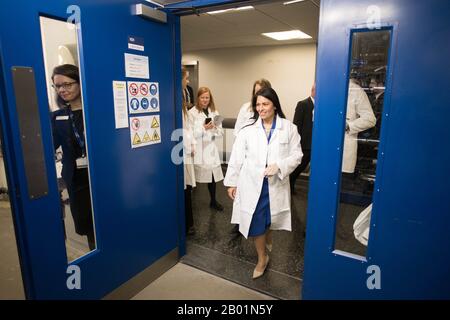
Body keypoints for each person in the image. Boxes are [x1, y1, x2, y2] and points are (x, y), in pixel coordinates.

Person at [224, 88, 303, 279]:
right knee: (256, 223)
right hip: (252, 185)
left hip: (275, 185)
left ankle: (267, 236)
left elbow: (297, 155)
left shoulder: (289, 128)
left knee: (269, 220)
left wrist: (280, 165)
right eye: (258, 104)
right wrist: (232, 183)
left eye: (265, 104)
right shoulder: (247, 131)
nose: (261, 108)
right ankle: (262, 258)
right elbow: (236, 158)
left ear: (274, 105)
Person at [51, 64, 95, 250]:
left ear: (80, 82)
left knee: (106, 220)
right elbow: (50, 146)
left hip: (100, 177)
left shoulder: (95, 112)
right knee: (86, 224)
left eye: (67, 84)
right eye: (58, 86)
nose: (62, 89)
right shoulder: (57, 117)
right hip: (76, 180)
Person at [189, 87, 224, 211]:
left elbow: (221, 133)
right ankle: (190, 203)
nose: (205, 100)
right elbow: (191, 134)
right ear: (198, 98)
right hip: (198, 149)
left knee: (213, 176)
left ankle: (213, 201)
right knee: (194, 178)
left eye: (207, 97)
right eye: (202, 97)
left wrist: (214, 128)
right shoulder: (192, 112)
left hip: (211, 149)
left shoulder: (214, 112)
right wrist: (204, 128)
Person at [342, 79, 376, 173]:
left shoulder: (356, 91)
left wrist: (348, 126)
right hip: (325, 147)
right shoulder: (326, 88)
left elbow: (370, 119)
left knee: (341, 182)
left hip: (345, 147)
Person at [290, 83, 315, 193]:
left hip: (316, 143)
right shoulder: (303, 104)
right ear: (313, 91)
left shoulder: (323, 106)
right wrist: (297, 143)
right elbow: (296, 125)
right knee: (300, 166)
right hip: (304, 143)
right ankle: (290, 183)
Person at [182, 67, 197, 235]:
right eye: (186, 78)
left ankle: (187, 224)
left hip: (186, 149)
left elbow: (188, 128)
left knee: (186, 188)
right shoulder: (179, 102)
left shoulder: (183, 99)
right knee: (184, 188)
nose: (188, 81)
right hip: (182, 151)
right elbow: (186, 128)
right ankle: (185, 225)